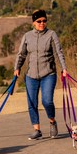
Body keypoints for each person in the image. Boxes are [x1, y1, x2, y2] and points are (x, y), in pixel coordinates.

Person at [14, 9, 67, 140]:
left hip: (48, 73)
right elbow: (22, 54)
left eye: (44, 21)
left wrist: (64, 69)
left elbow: (59, 52)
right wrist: (17, 68)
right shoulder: (27, 36)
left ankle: (52, 121)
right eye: (39, 21)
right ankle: (36, 129)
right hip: (31, 75)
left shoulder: (51, 34)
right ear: (33, 22)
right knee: (32, 103)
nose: (42, 23)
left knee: (47, 101)